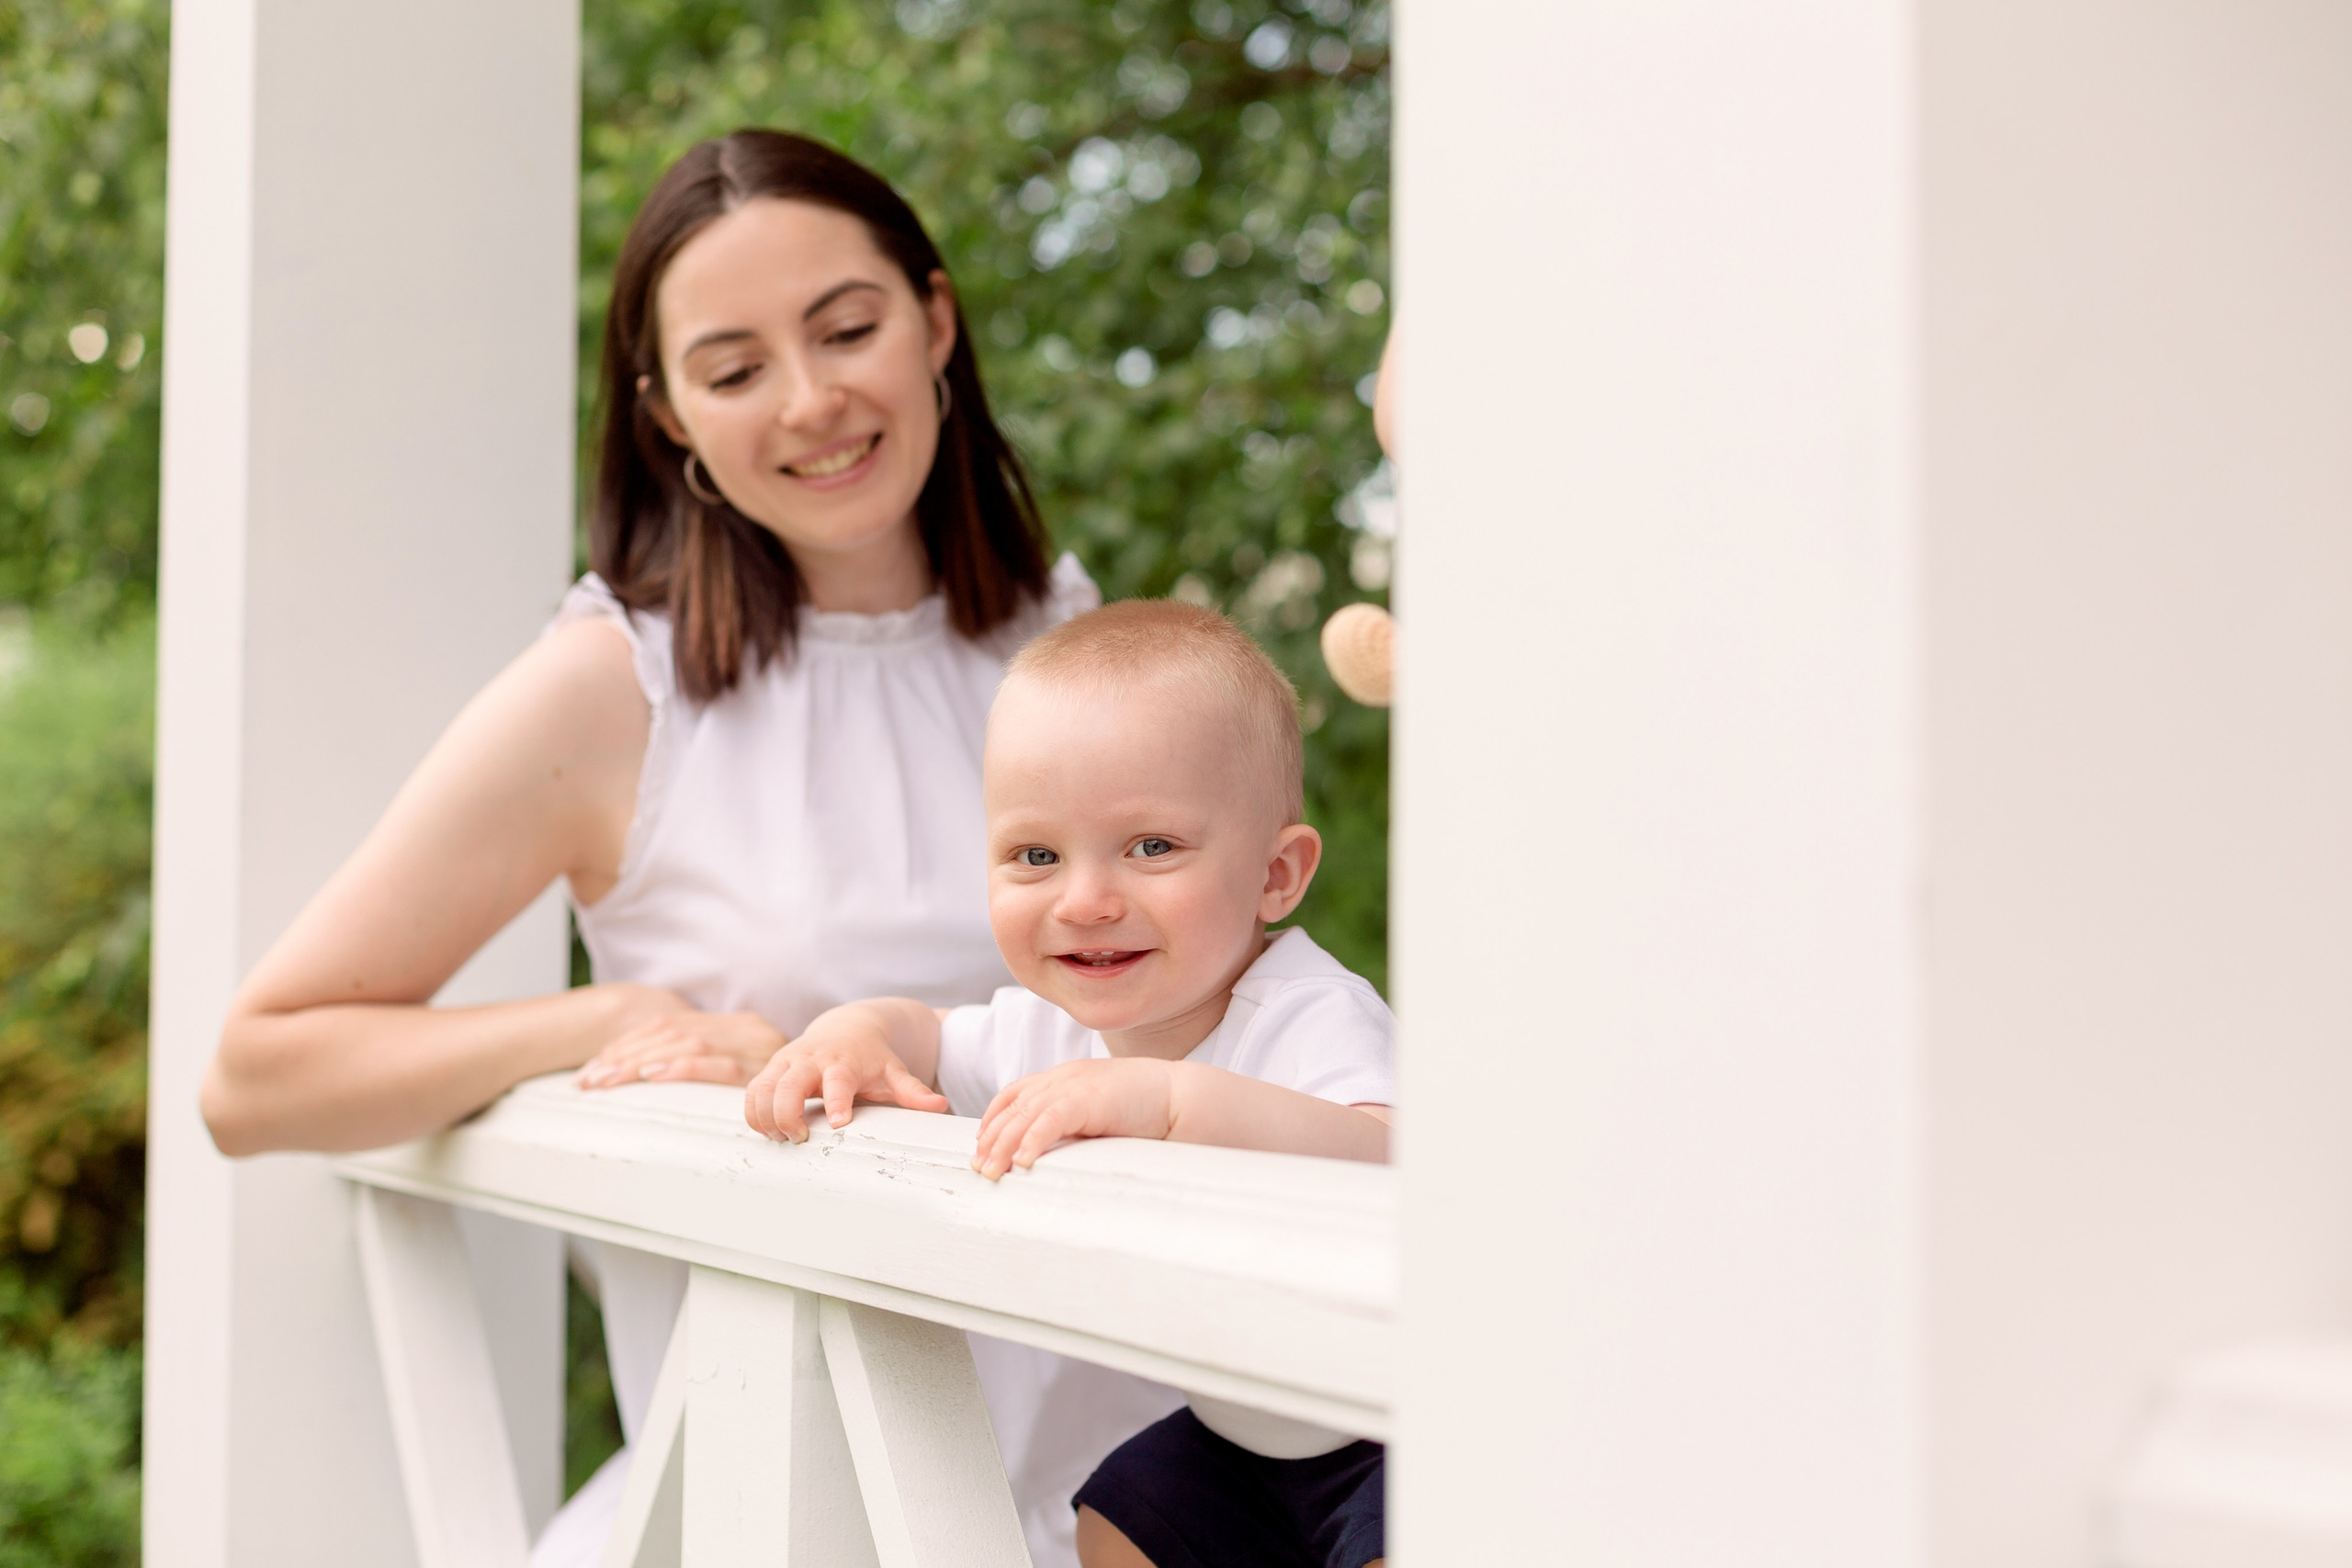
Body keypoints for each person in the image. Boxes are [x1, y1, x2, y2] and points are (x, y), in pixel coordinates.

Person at [197, 129, 1107, 1563]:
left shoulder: (1067, 644)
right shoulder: (616, 685)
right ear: (671, 414)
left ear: (935, 321)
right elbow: (256, 1070)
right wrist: (614, 1018)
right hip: (784, 1504)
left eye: (848, 328)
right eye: (735, 368)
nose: (812, 401)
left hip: (1113, 1481)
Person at [744, 598, 1395, 1568]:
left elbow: (1389, 1150)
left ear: (1275, 875)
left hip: (1399, 1423)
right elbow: (925, 1035)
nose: (1086, 901)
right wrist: (853, 1034)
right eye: (1036, 855)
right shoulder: (1052, 1027)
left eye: (1152, 847)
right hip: (1248, 1435)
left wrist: (1172, 1104)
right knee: (1123, 1520)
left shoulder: (1308, 1011)